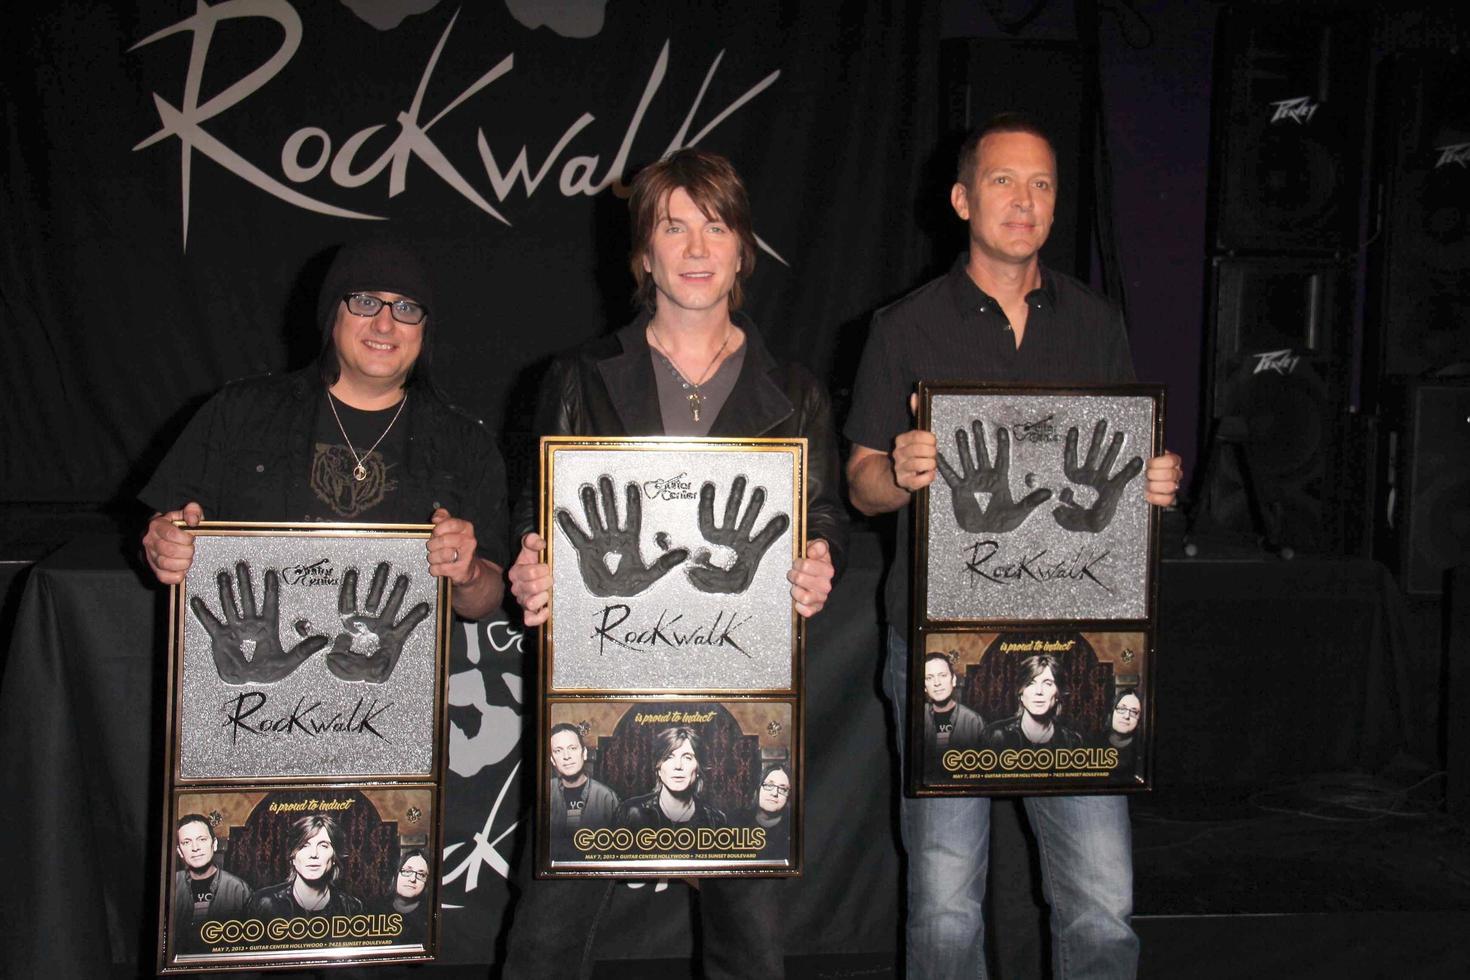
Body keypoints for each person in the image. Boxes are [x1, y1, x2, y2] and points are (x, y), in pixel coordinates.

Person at [845, 112, 1183, 979]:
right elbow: (858, 485)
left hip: (1077, 643)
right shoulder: (904, 326)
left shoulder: (1097, 322)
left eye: (1041, 184)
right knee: (947, 906)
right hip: (939, 644)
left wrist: (1154, 486)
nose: (1023, 200)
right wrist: (901, 469)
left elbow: (1120, 475)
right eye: (1002, 180)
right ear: (961, 199)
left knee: (1102, 903)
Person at [503, 147, 846, 980]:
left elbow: (822, 511)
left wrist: (817, 560)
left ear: (742, 251)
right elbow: (535, 520)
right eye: (674, 226)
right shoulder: (578, 378)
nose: (696, 247)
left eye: (716, 227)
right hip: (603, 684)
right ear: (642, 254)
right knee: (547, 937)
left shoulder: (795, 390)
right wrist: (530, 569)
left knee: (753, 944)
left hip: (740, 687)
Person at [139, 237, 506, 621]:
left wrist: (468, 576)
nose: (385, 324)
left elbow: (484, 601)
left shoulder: (467, 445)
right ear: (333, 314)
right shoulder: (240, 413)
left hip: (392, 673)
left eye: (406, 307)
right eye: (365, 301)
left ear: (424, 329)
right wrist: (162, 543)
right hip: (248, 673)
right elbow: (165, 528)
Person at [246, 813, 364, 917]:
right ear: (293, 856)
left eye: (323, 845)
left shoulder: (351, 907)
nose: (313, 854)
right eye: (304, 846)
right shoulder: (264, 902)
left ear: (334, 857)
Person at [615, 725, 727, 829]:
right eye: (669, 757)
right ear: (658, 768)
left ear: (698, 769)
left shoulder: (715, 820)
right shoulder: (631, 812)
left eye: (687, 757)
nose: (678, 766)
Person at [171, 813, 251, 950]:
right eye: (186, 842)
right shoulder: (170, 886)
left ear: (214, 844)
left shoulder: (239, 889)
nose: (195, 847)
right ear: (180, 851)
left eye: (202, 839)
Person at [982, 653, 1084, 750]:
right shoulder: (995, 735)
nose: (1039, 691)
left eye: (1047, 683)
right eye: (1031, 683)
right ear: (1021, 693)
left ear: (1058, 694)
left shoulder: (1072, 742)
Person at [548, 722, 620, 855]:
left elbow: (617, 850)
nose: (566, 756)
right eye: (558, 751)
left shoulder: (607, 797)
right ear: (552, 760)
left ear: (584, 753)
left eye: (572, 748)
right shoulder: (544, 794)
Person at [922, 651, 985, 762]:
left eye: (942, 675)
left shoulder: (974, 721)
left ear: (954, 680)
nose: (937, 683)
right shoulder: (916, 716)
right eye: (929, 678)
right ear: (924, 686)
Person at [378, 848, 432, 945]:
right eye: (407, 871)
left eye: (421, 874)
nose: (412, 879)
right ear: (396, 875)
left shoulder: (430, 917)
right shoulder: (376, 909)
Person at [741, 762, 793, 860]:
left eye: (782, 789)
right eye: (769, 785)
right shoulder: (735, 821)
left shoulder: (792, 829)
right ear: (758, 788)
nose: (774, 793)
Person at [1106, 688, 1143, 778]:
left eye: (1134, 712)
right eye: (1122, 708)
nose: (1126, 716)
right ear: (1112, 711)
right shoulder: (1094, 741)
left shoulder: (1142, 749)